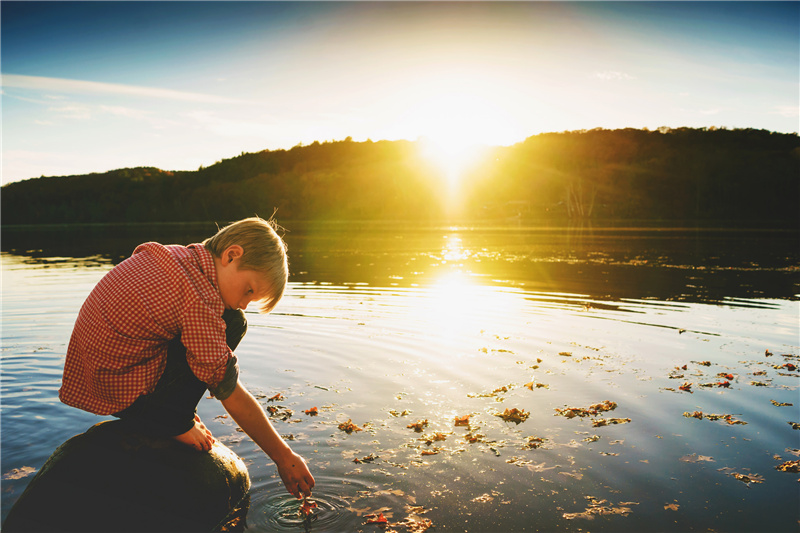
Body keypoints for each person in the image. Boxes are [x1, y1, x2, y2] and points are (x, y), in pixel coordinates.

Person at [59, 217, 315, 499]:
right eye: (249, 291)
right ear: (231, 255)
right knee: (233, 323)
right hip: (122, 388)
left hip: (96, 375)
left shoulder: (179, 257)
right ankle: (171, 419)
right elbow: (227, 387)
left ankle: (168, 411)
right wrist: (283, 456)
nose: (244, 303)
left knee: (229, 319)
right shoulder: (198, 297)